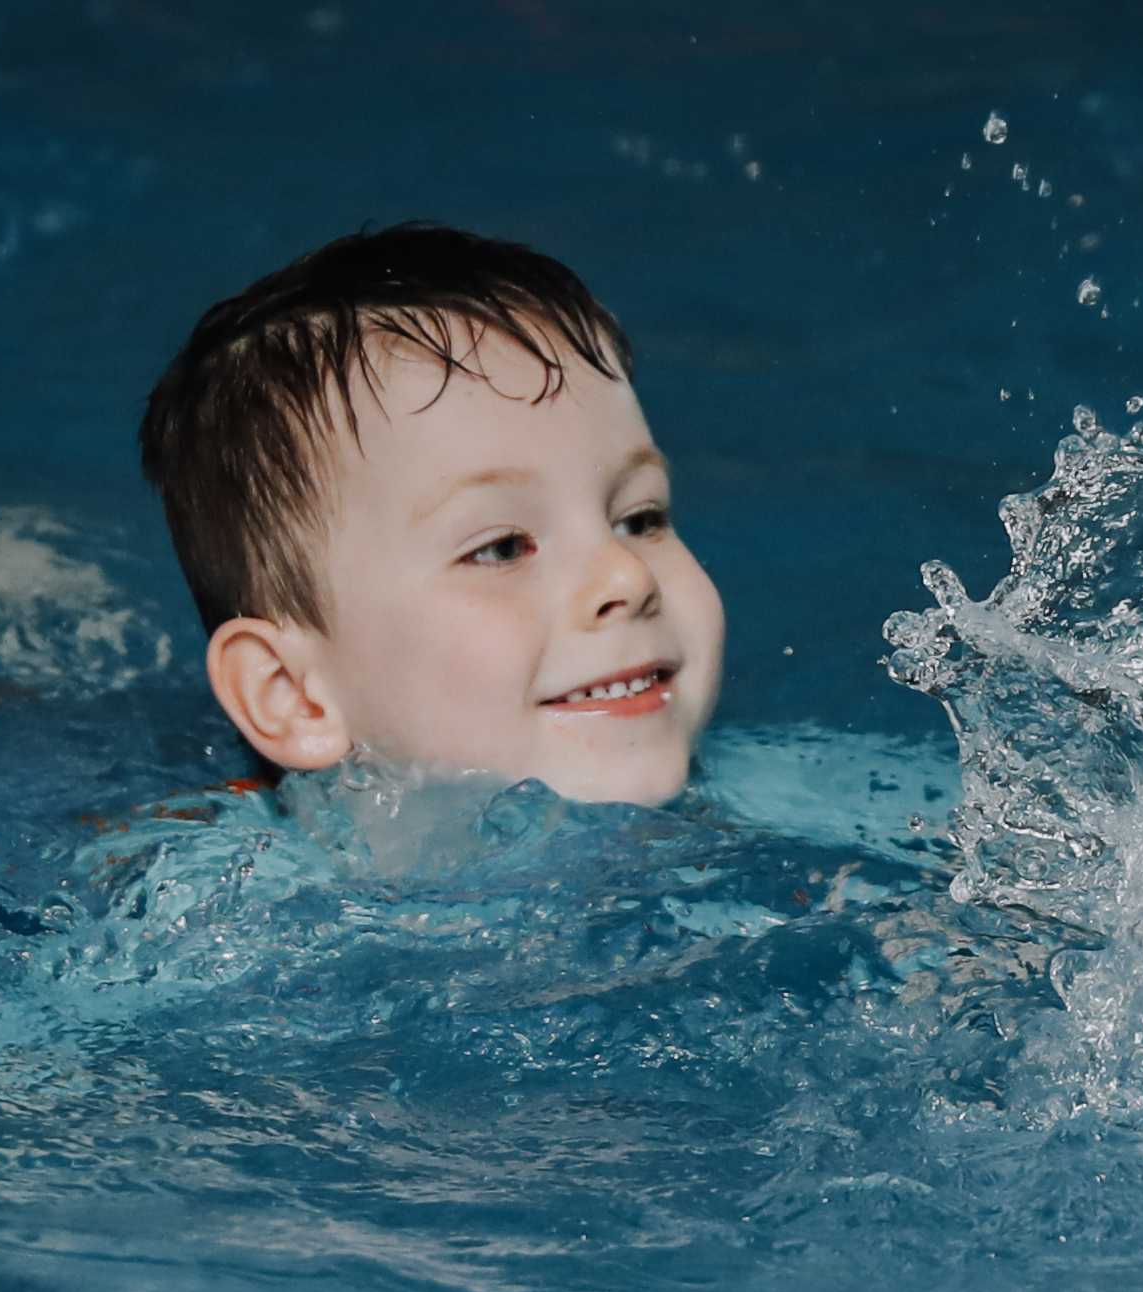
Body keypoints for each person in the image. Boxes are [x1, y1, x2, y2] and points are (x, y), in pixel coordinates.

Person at [135, 224, 729, 868]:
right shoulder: (206, 916)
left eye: (640, 518)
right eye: (503, 548)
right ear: (294, 695)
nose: (627, 577)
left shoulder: (808, 809)